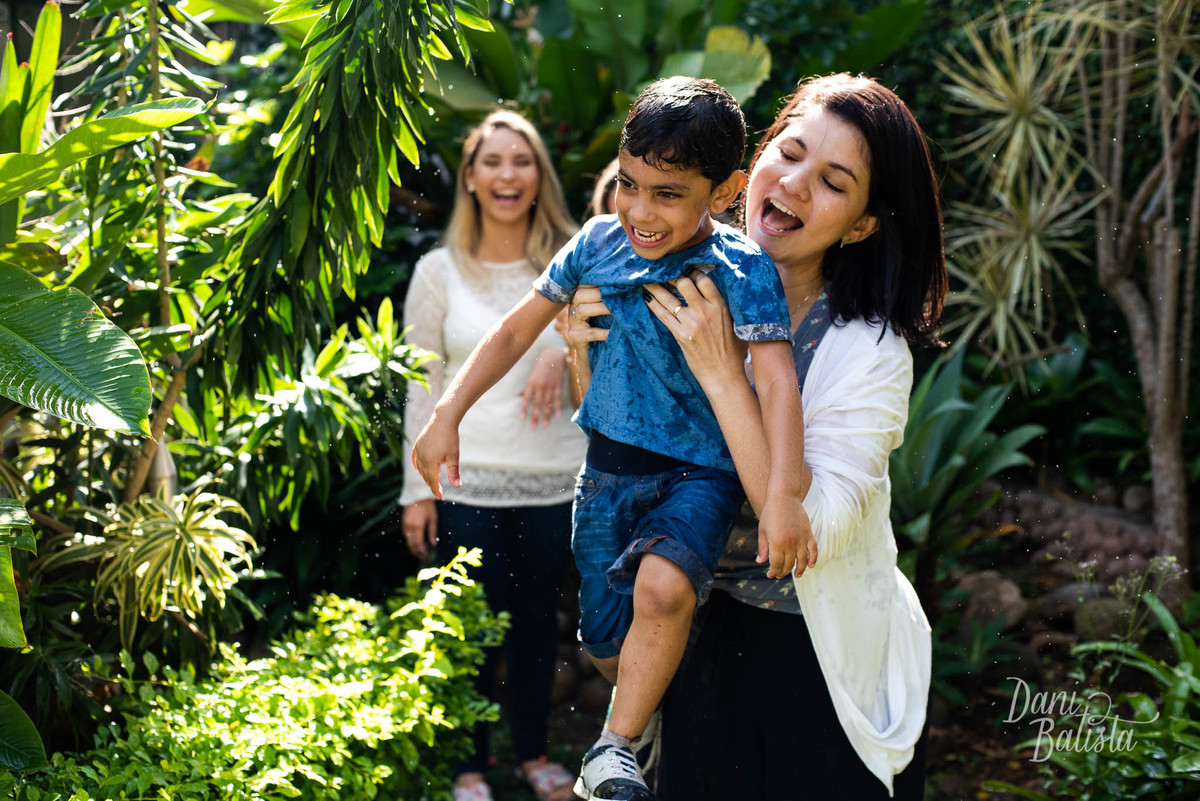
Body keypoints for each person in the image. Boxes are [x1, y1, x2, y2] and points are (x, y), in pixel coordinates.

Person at [412, 76, 814, 801]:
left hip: (701, 473)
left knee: (662, 587)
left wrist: (781, 497)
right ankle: (641, 716)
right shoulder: (598, 242)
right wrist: (448, 412)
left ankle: (611, 746)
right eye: (629, 184)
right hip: (604, 477)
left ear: (725, 191)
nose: (640, 210)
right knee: (605, 641)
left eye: (668, 194)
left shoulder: (742, 267)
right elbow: (514, 331)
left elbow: (778, 383)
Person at [564, 73, 946, 799]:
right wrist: (583, 357)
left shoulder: (868, 350)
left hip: (819, 652)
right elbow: (628, 451)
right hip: (698, 630)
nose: (795, 184)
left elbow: (808, 534)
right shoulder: (673, 278)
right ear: (751, 167)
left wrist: (722, 375)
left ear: (862, 224)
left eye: (833, 181)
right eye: (789, 153)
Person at [400, 109, 587, 801]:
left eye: (522, 160)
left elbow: (608, 351)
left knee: (538, 622)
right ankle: (468, 765)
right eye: (493, 161)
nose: (508, 175)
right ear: (471, 178)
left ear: (539, 175)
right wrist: (415, 491)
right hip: (463, 480)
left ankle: (534, 754)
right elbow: (421, 383)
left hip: (556, 477)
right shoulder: (437, 270)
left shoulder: (574, 261)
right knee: (470, 627)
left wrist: (560, 354)